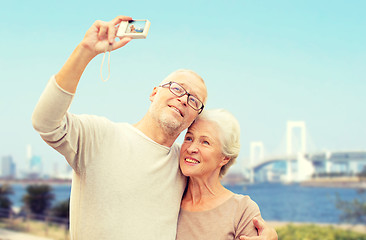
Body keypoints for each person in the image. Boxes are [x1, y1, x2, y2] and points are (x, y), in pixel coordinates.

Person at [32, 15, 277, 240]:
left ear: (194, 118)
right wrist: (85, 51)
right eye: (177, 88)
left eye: (194, 100)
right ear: (153, 92)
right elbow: (45, 121)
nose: (183, 98)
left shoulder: (182, 168)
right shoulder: (100, 136)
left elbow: (215, 202)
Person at [176, 109, 262, 239]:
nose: (191, 148)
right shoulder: (170, 199)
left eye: (205, 142)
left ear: (224, 158)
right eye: (189, 138)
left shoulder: (242, 210)